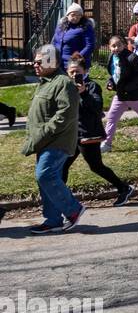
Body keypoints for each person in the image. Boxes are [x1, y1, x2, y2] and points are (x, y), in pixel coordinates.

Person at [24, 44, 85, 234]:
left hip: (57, 140)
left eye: (40, 61)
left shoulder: (63, 83)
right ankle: (52, 220)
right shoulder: (46, 81)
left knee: (45, 174)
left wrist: (43, 131)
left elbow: (65, 115)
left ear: (55, 62)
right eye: (35, 61)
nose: (35, 64)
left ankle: (73, 209)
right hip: (43, 140)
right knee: (45, 179)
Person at [62, 54, 134, 206]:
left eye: (78, 72)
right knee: (62, 166)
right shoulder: (67, 87)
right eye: (71, 72)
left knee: (96, 166)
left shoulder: (92, 86)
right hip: (72, 134)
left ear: (85, 71)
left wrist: (83, 93)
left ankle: (124, 188)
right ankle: (61, 198)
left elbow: (97, 107)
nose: (75, 75)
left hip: (89, 134)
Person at [53, 3, 97, 69]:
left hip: (77, 64)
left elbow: (90, 45)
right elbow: (55, 42)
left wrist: (77, 58)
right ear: (67, 15)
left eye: (78, 15)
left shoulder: (85, 27)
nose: (75, 17)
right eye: (73, 15)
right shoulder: (60, 27)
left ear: (81, 16)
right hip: (60, 63)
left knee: (77, 79)